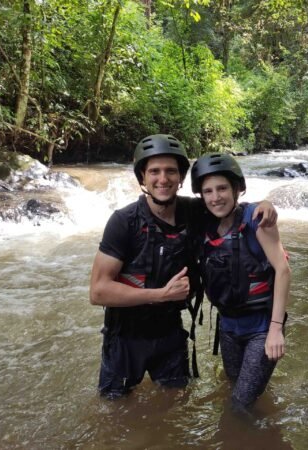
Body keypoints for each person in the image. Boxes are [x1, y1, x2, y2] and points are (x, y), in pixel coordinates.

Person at [89, 134, 276, 399]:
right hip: (124, 337)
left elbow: (227, 203)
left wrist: (262, 206)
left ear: (180, 179)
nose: (162, 179)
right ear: (142, 177)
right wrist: (159, 295)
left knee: (174, 406)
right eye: (154, 171)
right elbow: (97, 291)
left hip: (170, 334)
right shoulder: (123, 222)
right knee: (113, 412)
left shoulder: (193, 212)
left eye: (170, 172)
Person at [190, 153, 291, 411]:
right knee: (234, 386)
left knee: (239, 405)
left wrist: (276, 329)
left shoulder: (257, 220)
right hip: (228, 327)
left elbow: (283, 270)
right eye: (208, 191)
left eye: (222, 188)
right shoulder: (203, 225)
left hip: (261, 327)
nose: (216, 197)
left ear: (237, 189)